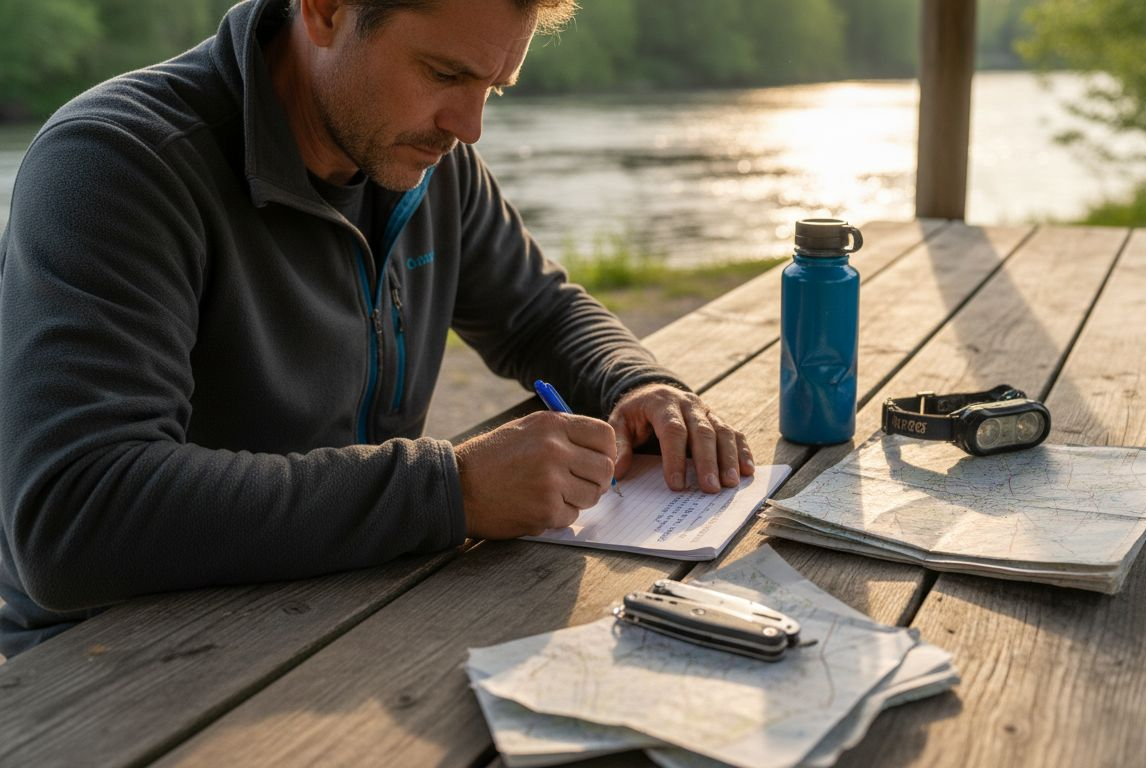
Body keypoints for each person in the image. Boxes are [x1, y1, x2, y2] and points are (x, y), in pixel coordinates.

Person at [0, 0, 755, 658]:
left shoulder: (423, 159)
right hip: (116, 659)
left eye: (493, 87)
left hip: (345, 600)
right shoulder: (117, 164)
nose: (469, 127)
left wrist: (637, 382)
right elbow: (74, 516)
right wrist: (451, 488)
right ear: (326, 10)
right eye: (445, 73)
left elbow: (537, 312)